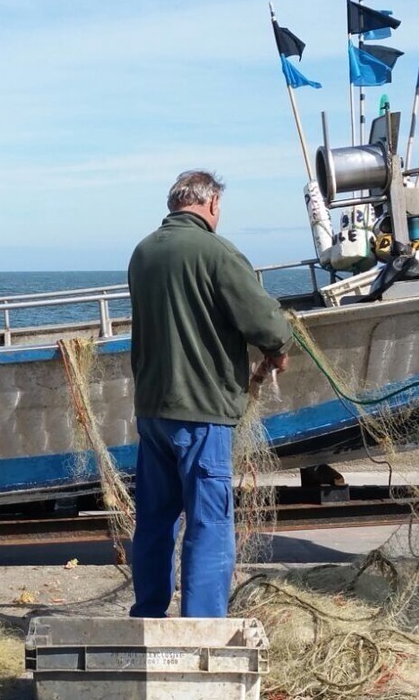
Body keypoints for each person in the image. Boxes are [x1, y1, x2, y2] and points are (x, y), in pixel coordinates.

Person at [126, 170, 293, 618]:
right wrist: (279, 350)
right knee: (209, 523)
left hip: (153, 410)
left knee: (155, 520)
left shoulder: (143, 252)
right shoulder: (217, 252)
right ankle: (202, 624)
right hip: (203, 412)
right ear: (212, 203)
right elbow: (265, 322)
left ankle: (148, 615)